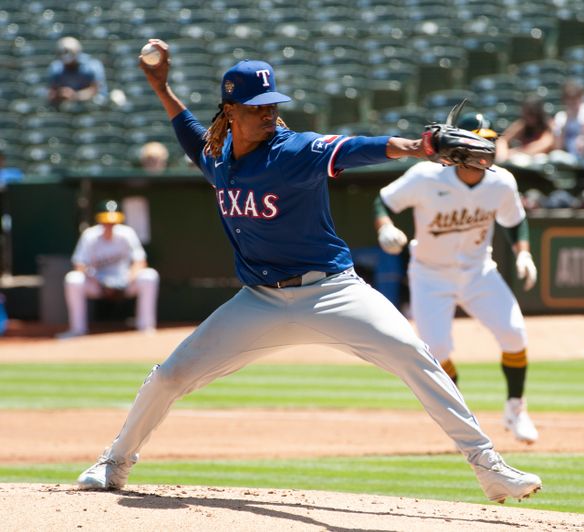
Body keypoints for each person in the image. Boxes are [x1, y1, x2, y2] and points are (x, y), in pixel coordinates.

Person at [75, 39, 542, 503]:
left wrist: (418, 147)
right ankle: (114, 463)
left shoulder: (296, 149)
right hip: (259, 301)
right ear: (230, 111)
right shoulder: (217, 157)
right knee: (170, 376)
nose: (268, 113)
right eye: (256, 107)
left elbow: (361, 148)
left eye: (272, 104)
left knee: (415, 356)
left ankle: (490, 469)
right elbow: (189, 133)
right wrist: (162, 87)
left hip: (333, 292)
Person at [373, 112, 540, 444]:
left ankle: (516, 409)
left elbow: (514, 220)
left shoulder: (501, 181)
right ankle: (464, 419)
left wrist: (524, 252)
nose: (486, 149)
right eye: (480, 141)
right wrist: (386, 227)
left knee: (515, 334)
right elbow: (384, 201)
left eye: (490, 142)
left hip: (479, 272)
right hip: (430, 275)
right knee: (436, 350)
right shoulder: (425, 176)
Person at [57, 199, 159, 339]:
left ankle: (146, 327)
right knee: (73, 279)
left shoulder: (126, 233)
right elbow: (79, 264)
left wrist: (127, 279)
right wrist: (97, 281)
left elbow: (140, 261)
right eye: (106, 222)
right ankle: (77, 329)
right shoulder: (90, 235)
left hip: (124, 282)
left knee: (149, 275)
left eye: (113, 222)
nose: (110, 225)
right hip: (97, 283)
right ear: (99, 221)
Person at [47, 36, 107, 109]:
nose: (66, 56)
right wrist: (61, 93)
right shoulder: (56, 67)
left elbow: (96, 90)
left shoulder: (92, 65)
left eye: (68, 52)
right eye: (62, 53)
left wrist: (74, 95)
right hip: (65, 106)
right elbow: (52, 93)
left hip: (90, 105)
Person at [495, 96, 554, 164]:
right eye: (526, 113)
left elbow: (544, 144)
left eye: (531, 113)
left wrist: (516, 152)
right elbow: (502, 139)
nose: (528, 117)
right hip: (522, 160)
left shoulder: (548, 125)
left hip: (540, 164)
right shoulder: (523, 124)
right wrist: (502, 155)